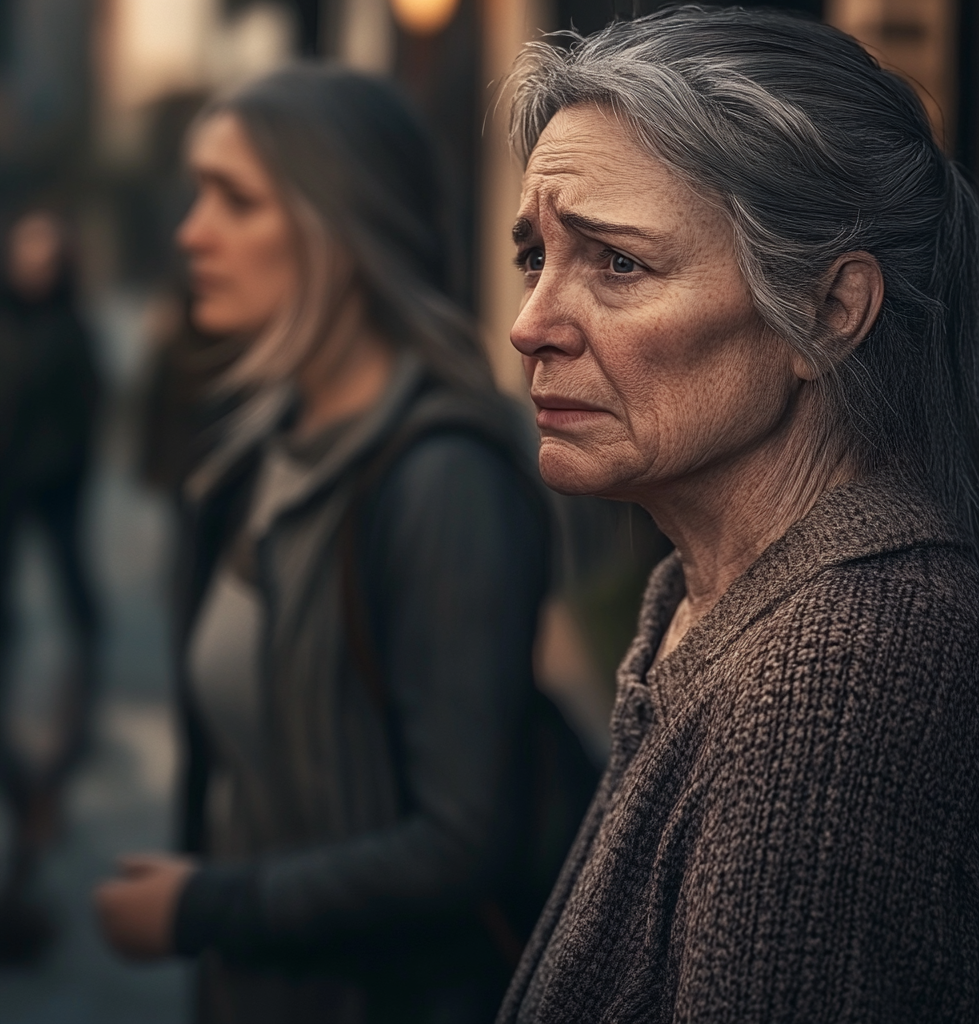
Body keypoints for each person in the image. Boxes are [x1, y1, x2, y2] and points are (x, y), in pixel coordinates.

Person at [496, 8, 979, 1024]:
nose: (531, 324)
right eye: (536, 257)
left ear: (828, 313)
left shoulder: (846, 675)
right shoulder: (705, 599)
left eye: (616, 264)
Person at [93, 68, 574, 1023]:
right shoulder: (249, 452)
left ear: (338, 229)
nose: (191, 233)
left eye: (235, 199)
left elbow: (457, 843)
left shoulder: (442, 483)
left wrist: (202, 904)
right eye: (196, 195)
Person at [0, 208, 101, 959]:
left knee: (72, 599)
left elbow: (87, 413)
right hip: (11, 490)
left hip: (52, 485)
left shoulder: (71, 332)